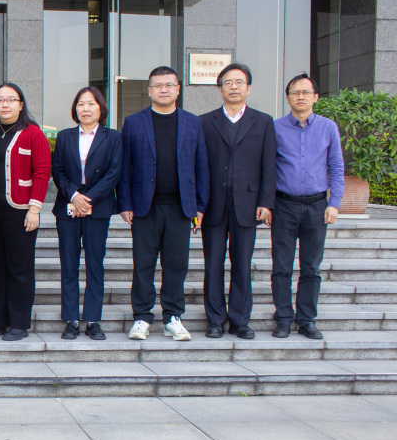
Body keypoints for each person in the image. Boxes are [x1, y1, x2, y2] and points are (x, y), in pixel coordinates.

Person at [117, 66, 209, 341]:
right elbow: (125, 167)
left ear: (178, 89)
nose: (164, 89)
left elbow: (201, 166)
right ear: (149, 90)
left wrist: (200, 206)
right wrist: (125, 203)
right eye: (158, 85)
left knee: (177, 265)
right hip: (144, 207)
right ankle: (142, 317)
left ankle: (173, 317)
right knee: (143, 264)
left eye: (169, 85)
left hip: (181, 207)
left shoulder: (193, 122)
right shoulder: (134, 122)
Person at [200, 63, 276, 339]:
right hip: (213, 205)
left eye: (239, 82)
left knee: (242, 264)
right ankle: (215, 320)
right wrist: (198, 204)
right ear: (219, 89)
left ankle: (240, 320)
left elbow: (269, 164)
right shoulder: (204, 122)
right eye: (228, 82)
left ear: (248, 88)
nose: (234, 87)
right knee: (213, 264)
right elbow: (199, 165)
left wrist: (266, 202)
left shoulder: (263, 121)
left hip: (248, 204)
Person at [271, 73, 344, 340]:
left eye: (305, 92)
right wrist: (267, 204)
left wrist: (334, 203)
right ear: (288, 97)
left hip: (316, 206)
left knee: (311, 267)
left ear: (315, 97)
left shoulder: (328, 127)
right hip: (284, 205)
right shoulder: (275, 128)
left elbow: (336, 167)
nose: (300, 97)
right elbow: (267, 169)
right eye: (295, 92)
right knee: (281, 266)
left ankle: (306, 319)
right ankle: (283, 318)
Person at [0, 82, 51, 341]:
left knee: (20, 268)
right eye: (0, 99)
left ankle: (19, 323)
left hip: (20, 211)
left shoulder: (33, 133)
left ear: (21, 104)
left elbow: (42, 172)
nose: (5, 104)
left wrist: (35, 208)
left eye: (11, 99)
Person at [52, 87, 122, 340]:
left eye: (91, 103)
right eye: (81, 104)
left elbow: (114, 172)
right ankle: (71, 319)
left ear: (100, 108)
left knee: (94, 264)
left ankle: (93, 320)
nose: (86, 108)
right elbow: (58, 171)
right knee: (69, 265)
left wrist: (88, 198)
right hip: (68, 206)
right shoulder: (65, 136)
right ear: (75, 108)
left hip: (98, 207)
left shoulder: (113, 137)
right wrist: (74, 196)